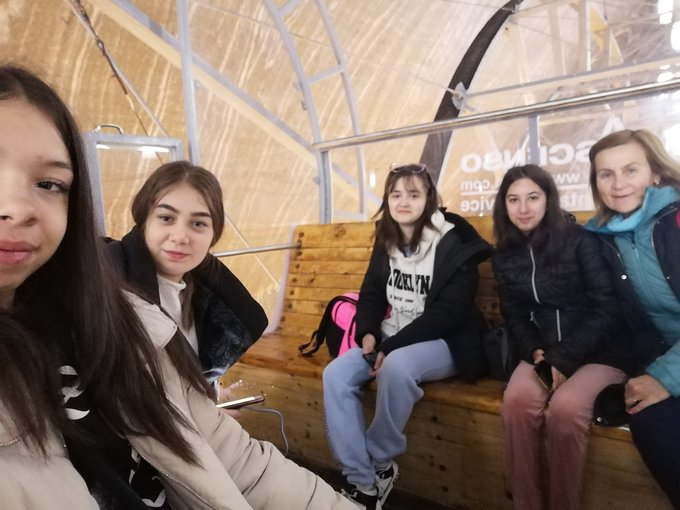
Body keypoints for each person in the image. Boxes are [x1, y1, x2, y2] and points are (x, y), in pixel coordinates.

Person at [0, 64, 357, 509]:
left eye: (49, 184)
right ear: (141, 220)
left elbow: (235, 459)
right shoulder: (134, 304)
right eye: (166, 218)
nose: (16, 208)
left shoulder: (118, 320)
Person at [323, 163, 491, 510]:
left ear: (429, 198)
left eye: (413, 194)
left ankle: (380, 462)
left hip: (446, 340)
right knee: (336, 374)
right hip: (392, 335)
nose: (403, 202)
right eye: (395, 194)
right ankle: (362, 481)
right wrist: (368, 333)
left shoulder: (454, 240)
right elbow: (372, 292)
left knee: (396, 366)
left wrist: (391, 346)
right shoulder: (387, 237)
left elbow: (449, 312)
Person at [493, 164, 630, 510]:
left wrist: (563, 358)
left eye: (533, 197)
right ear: (503, 205)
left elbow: (608, 307)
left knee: (566, 410)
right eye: (513, 199)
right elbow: (514, 313)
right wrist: (534, 350)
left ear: (548, 199)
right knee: (516, 402)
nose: (523, 208)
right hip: (544, 352)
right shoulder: (504, 254)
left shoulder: (580, 241)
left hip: (598, 351)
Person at [106, 160, 268, 384]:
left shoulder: (204, 296)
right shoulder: (106, 290)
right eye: (166, 218)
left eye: (198, 223)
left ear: (214, 234)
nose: (180, 236)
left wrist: (210, 395)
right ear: (144, 221)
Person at [585, 129, 680, 508]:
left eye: (630, 170)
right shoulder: (603, 237)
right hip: (659, 358)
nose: (618, 184)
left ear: (655, 173)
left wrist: (665, 377)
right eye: (606, 174)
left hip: (669, 368)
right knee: (648, 419)